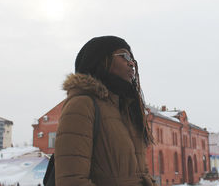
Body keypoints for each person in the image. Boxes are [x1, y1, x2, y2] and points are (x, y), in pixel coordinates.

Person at [55, 36, 157, 186]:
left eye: (133, 59)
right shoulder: (82, 104)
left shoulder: (127, 110)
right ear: (101, 60)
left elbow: (142, 173)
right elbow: (71, 180)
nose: (131, 63)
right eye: (125, 56)